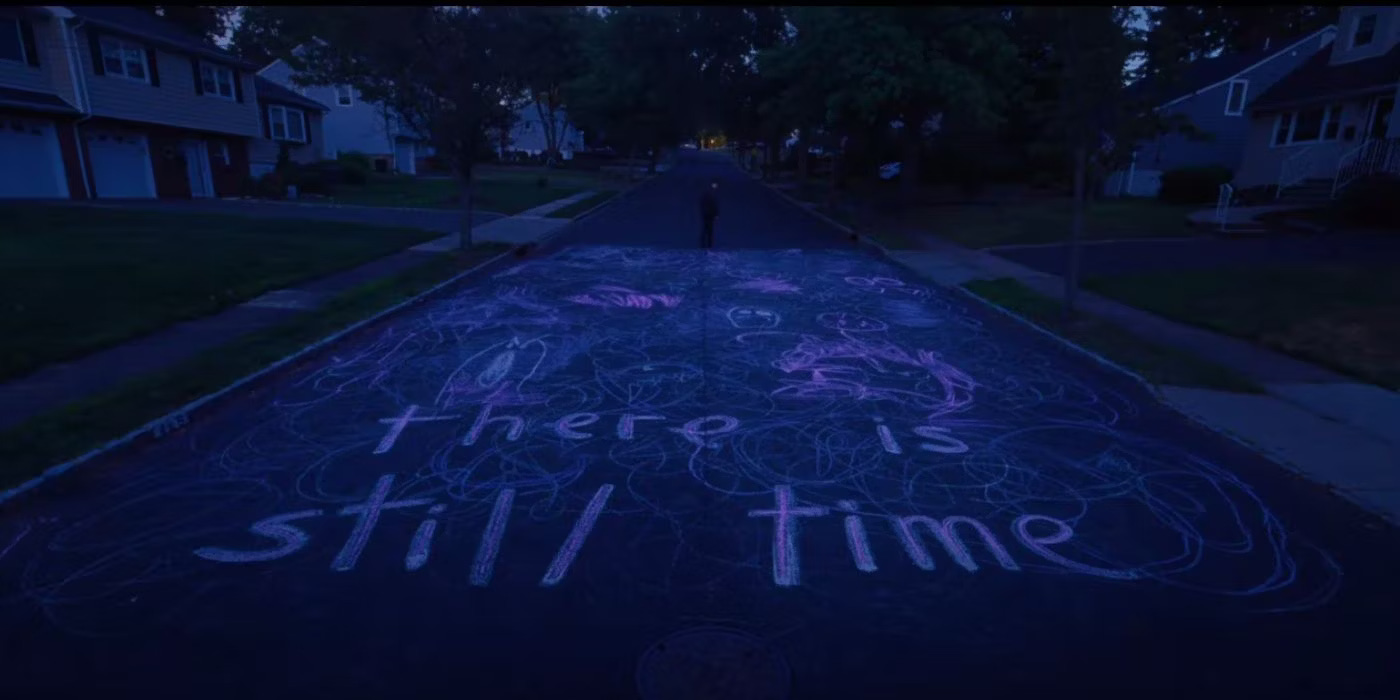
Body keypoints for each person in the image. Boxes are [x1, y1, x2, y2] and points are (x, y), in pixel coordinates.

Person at [699, 180, 719, 249]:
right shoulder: (712, 196)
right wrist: (716, 214)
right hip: (709, 214)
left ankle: (704, 243)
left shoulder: (706, 196)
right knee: (709, 229)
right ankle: (709, 244)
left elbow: (702, 204)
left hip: (706, 214)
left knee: (706, 228)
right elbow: (714, 205)